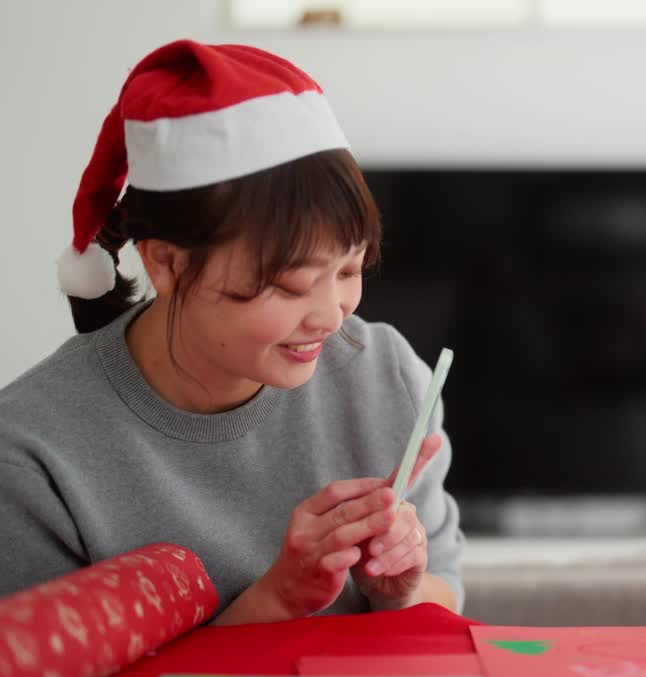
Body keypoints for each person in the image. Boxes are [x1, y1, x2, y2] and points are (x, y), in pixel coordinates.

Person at [0, 40, 464, 624]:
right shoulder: (32, 456)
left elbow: (445, 597)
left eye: (349, 270)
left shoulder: (385, 378)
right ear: (165, 263)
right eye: (289, 285)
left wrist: (398, 591)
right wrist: (277, 600)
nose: (331, 315)